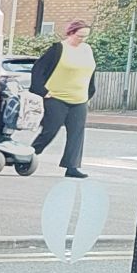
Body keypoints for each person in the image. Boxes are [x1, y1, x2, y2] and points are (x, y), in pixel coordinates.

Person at [29, 17, 97, 177]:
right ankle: (29, 155)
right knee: (50, 130)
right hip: (56, 98)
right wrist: (42, 91)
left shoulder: (87, 49)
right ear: (71, 33)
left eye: (85, 36)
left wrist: (89, 93)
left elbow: (91, 72)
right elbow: (38, 69)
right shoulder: (58, 49)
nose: (82, 39)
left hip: (79, 99)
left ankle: (72, 167)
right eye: (79, 36)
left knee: (76, 133)